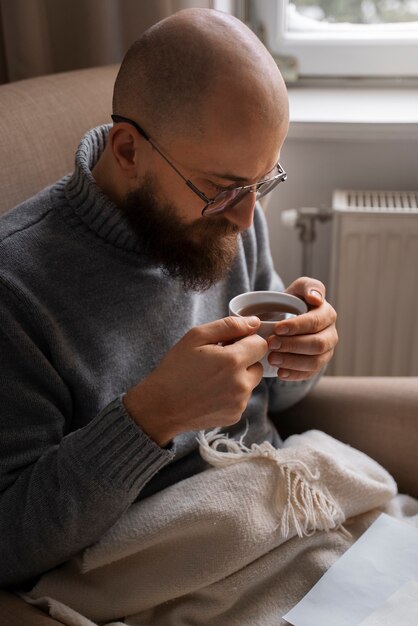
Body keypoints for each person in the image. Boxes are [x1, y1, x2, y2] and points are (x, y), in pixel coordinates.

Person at [0, 8, 337, 589]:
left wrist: (302, 356)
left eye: (263, 181)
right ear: (127, 151)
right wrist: (150, 419)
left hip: (287, 517)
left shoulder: (231, 213)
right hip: (157, 574)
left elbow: (276, 402)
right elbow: (9, 540)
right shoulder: (15, 289)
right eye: (223, 187)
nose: (247, 216)